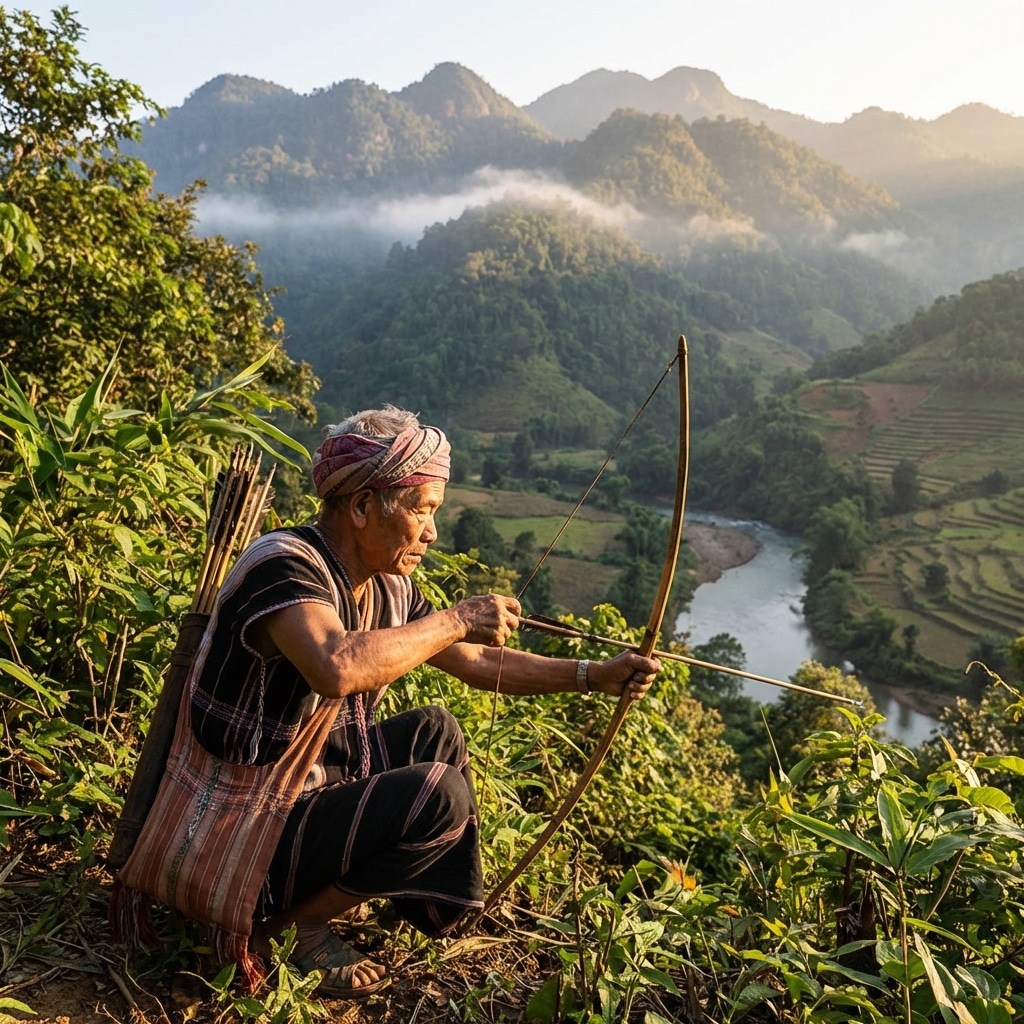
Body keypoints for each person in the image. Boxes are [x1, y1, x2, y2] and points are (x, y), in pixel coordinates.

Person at [114, 406, 658, 999]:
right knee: (437, 794)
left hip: (300, 790)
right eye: (422, 512)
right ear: (362, 507)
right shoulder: (284, 566)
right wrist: (459, 617)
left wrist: (593, 674)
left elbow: (476, 661)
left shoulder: (385, 585)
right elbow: (336, 665)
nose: (431, 532)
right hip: (233, 831)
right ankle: (288, 927)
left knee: (436, 731)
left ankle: (410, 898)